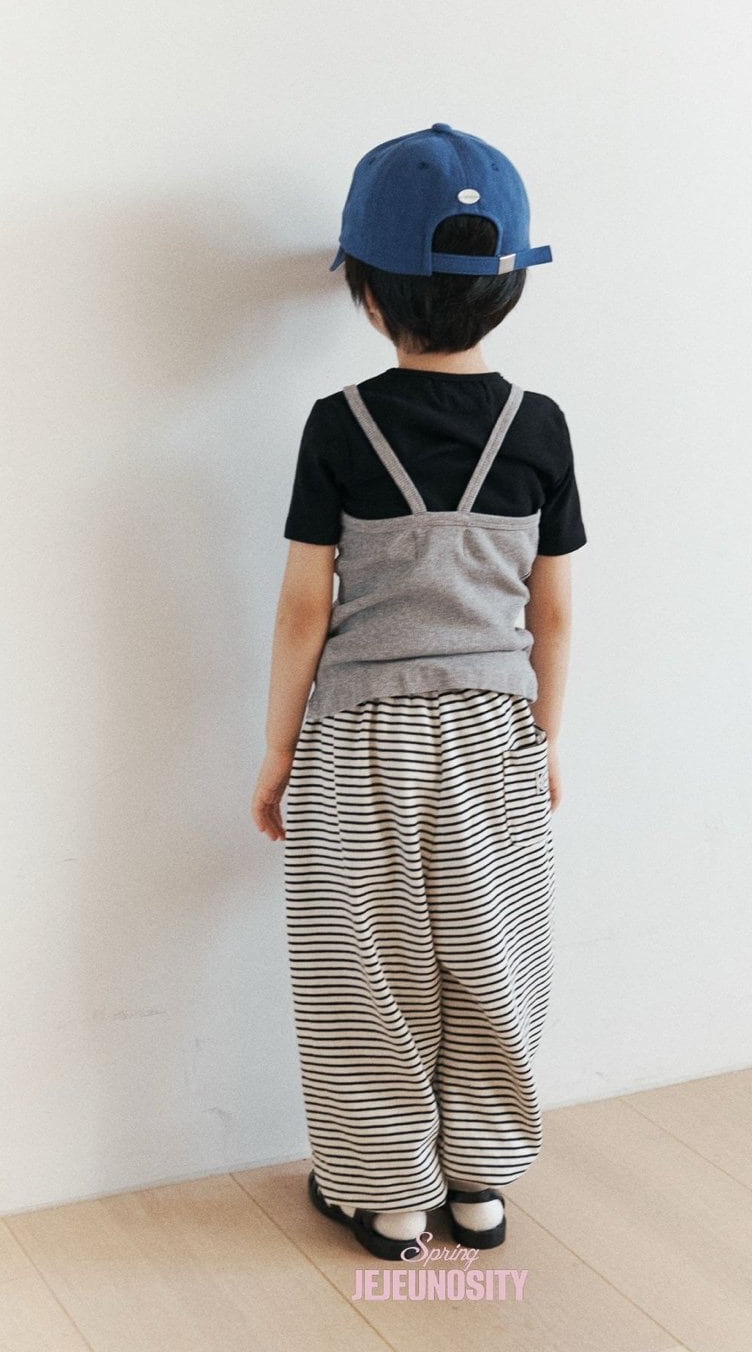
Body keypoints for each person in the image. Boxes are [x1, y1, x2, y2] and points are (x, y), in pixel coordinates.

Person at [251, 123, 586, 1262]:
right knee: (493, 952)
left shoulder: (338, 425)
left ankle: (389, 1196)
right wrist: (546, 736)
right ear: (510, 288)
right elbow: (552, 612)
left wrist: (278, 753)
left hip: (357, 740)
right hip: (496, 733)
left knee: (365, 969)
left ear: (365, 290)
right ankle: (479, 1185)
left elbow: (303, 610)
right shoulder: (540, 427)